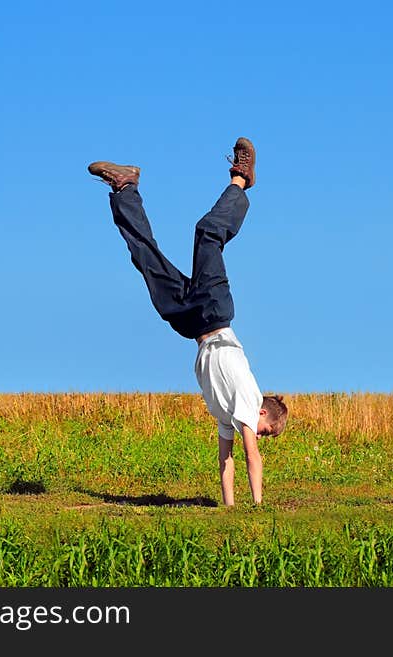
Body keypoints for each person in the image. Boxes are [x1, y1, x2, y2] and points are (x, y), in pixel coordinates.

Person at [87, 137, 288, 506]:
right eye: (267, 431)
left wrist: (229, 509)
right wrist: (257, 507)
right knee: (207, 234)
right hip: (214, 312)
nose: (260, 437)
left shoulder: (227, 414)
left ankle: (125, 188)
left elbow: (224, 459)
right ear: (263, 412)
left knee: (146, 262)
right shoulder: (247, 399)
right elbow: (249, 458)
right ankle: (241, 178)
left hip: (192, 325)